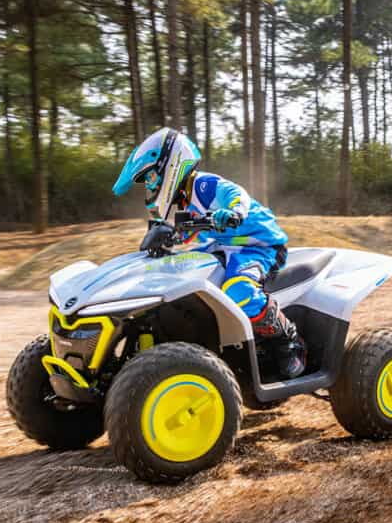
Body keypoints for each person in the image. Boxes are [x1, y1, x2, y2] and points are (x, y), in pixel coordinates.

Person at [113, 127, 306, 379]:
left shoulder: (202, 185)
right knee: (178, 277)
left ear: (170, 165)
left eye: (150, 177)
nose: (149, 185)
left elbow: (236, 194)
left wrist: (234, 211)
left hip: (259, 247)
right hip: (222, 247)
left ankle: (288, 341)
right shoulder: (182, 202)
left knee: (238, 290)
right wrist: (167, 237)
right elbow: (190, 234)